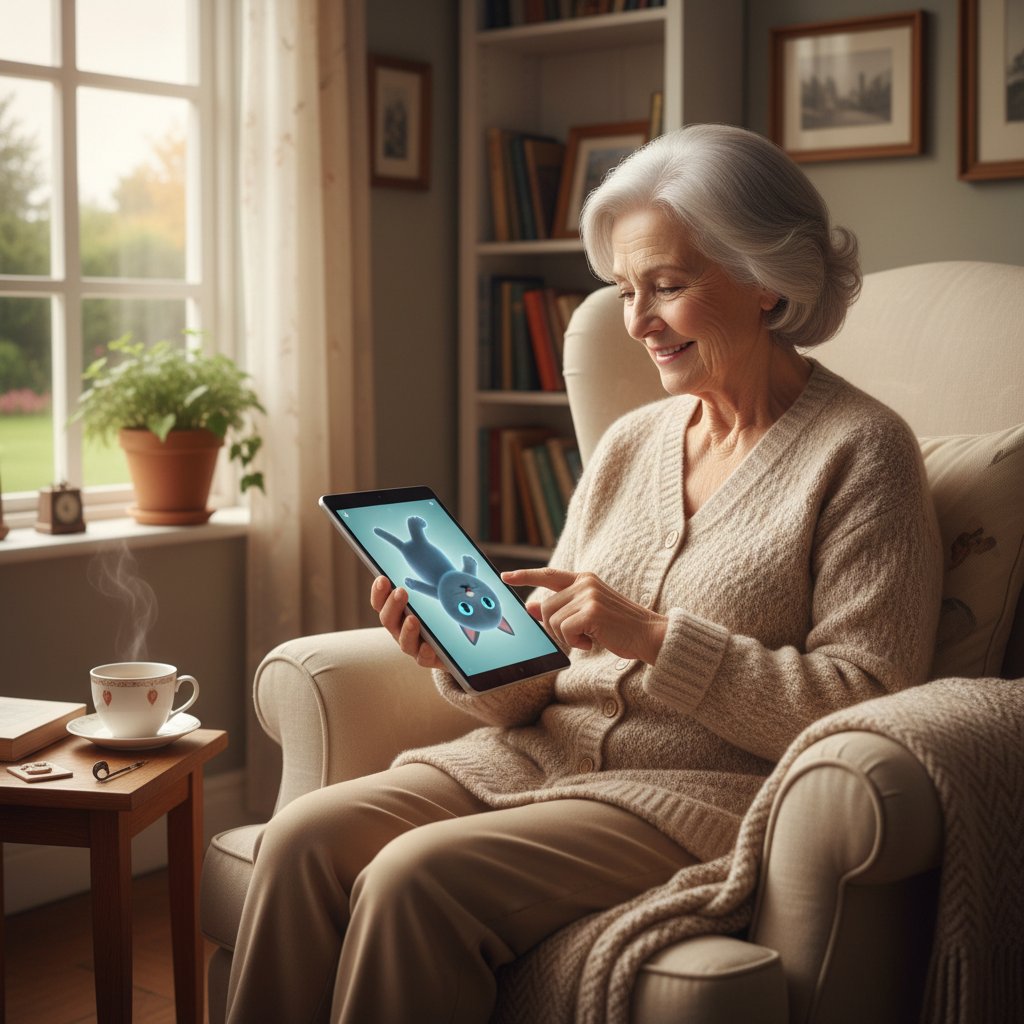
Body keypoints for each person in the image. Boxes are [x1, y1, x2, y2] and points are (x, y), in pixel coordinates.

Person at [225, 124, 943, 1023]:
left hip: (693, 796)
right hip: (531, 759)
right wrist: (464, 650)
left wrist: (651, 638)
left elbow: (866, 701)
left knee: (414, 879)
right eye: (627, 290)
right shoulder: (633, 442)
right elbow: (544, 681)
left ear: (765, 280)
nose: (637, 322)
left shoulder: (864, 453)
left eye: (668, 287)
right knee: (300, 839)